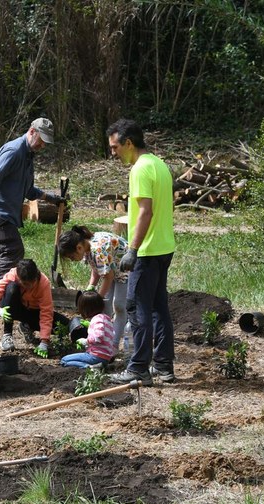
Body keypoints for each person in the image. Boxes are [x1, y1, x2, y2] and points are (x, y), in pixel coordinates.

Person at [105, 119, 176, 386]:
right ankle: (164, 366)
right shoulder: (159, 165)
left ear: (129, 143)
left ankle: (138, 369)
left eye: (115, 147)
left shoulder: (140, 169)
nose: (113, 153)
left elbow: (145, 211)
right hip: (164, 247)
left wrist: (132, 249)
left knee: (137, 308)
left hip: (146, 250)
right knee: (159, 308)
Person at [0, 118, 66, 310]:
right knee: (12, 250)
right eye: (41, 140)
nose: (42, 145)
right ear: (32, 131)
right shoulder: (14, 151)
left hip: (4, 211)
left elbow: (27, 189)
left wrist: (51, 198)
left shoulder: (28, 155)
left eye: (45, 143)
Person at [57, 225, 130, 355]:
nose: (72, 260)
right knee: (106, 306)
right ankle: (104, 339)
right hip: (112, 270)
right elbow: (96, 269)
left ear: (78, 248)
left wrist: (97, 298)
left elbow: (108, 276)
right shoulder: (87, 247)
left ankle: (113, 345)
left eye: (72, 257)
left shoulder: (97, 250)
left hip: (127, 270)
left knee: (118, 305)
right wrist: (91, 286)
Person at [0, 258, 69, 356]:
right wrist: (0, 311)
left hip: (33, 313)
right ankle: (7, 335)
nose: (27, 287)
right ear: (19, 278)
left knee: (65, 325)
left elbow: (46, 312)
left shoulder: (43, 283)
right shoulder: (13, 275)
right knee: (12, 288)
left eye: (30, 284)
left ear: (35, 278)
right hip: (14, 309)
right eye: (24, 284)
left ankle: (26, 327)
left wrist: (44, 341)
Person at [60, 291, 115, 369]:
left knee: (64, 360)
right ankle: (102, 366)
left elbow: (99, 336)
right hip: (106, 357)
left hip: (96, 356)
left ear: (86, 309)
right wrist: (90, 325)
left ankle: (90, 367)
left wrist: (85, 341)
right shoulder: (106, 318)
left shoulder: (97, 319)